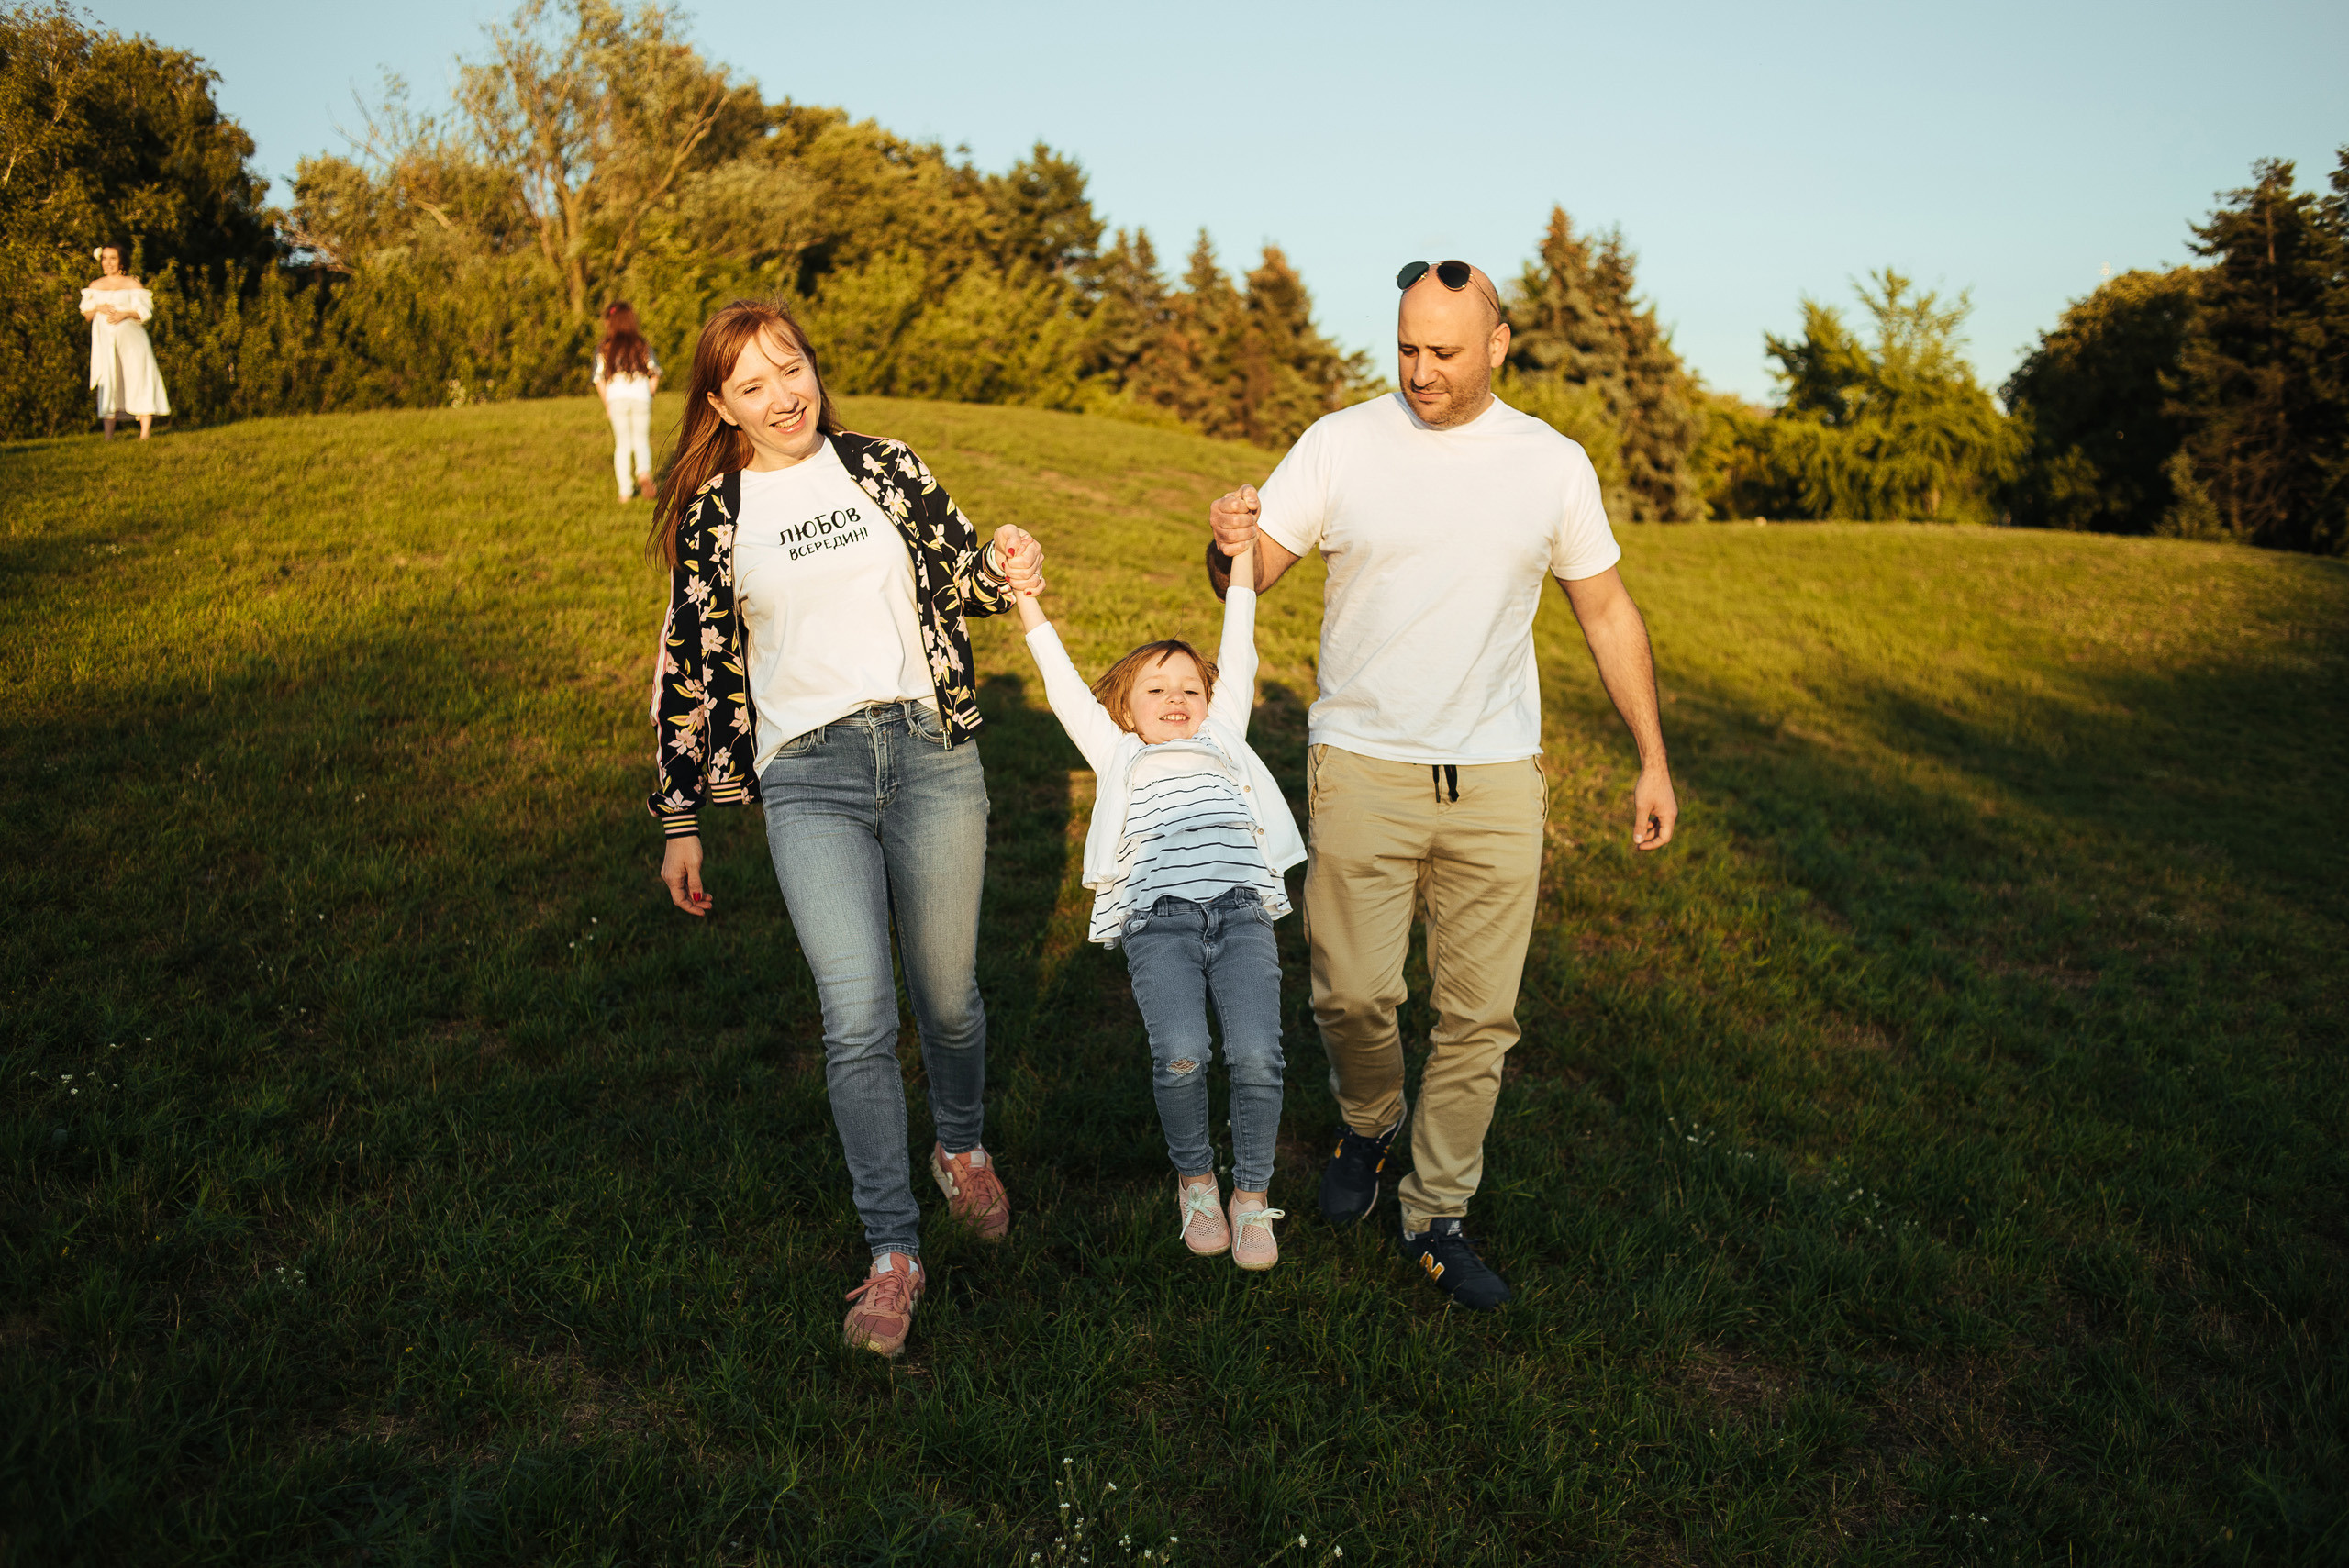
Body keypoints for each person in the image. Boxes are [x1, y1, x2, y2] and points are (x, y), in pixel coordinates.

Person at [1205, 258, 1679, 1310]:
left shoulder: (1551, 464)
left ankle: (1436, 1213)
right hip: (1363, 763)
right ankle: (1368, 1120)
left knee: (1478, 1018)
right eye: (1408, 347)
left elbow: (1605, 610)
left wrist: (1651, 756)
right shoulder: (1339, 442)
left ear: (1497, 344)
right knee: (1353, 992)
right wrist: (1228, 543)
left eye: (1445, 352)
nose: (1420, 370)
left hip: (1499, 778)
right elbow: (1250, 569)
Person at [645, 298, 1043, 1358]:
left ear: (814, 363)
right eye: (753, 386)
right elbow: (688, 662)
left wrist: (1002, 564)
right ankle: (892, 1250)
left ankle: (958, 1147)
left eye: (792, 368)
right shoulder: (714, 512)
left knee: (949, 995)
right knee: (857, 1013)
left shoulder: (885, 466)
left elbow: (961, 577)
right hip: (808, 775)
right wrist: (681, 814)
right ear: (721, 407)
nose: (784, 397)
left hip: (929, 754)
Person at [1011, 531, 1304, 1270]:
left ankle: (1252, 1195)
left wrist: (1243, 555)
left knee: (1257, 1055)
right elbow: (1062, 684)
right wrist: (1025, 598)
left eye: (1191, 690)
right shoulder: (1117, 753)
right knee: (1181, 1055)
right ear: (1123, 707)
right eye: (1156, 688)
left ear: (1211, 703)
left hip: (1240, 914)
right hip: (1158, 925)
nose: (1177, 699)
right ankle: (1198, 1180)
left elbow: (1241, 643)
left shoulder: (1222, 739)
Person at [80, 244, 170, 440]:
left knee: (138, 378)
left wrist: (125, 314)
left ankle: (145, 433)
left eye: (113, 258)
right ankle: (108, 436)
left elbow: (145, 313)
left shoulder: (133, 284)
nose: (108, 262)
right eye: (105, 258)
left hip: (132, 343)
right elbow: (87, 314)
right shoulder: (95, 286)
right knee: (110, 380)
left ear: (121, 261)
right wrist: (99, 308)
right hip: (106, 343)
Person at [595, 302, 662, 502]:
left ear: (610, 322)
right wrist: (650, 394)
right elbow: (655, 373)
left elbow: (598, 379)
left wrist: (607, 403)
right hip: (641, 396)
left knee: (622, 444)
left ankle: (625, 491)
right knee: (641, 440)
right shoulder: (642, 345)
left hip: (617, 398)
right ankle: (644, 473)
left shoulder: (604, 347)